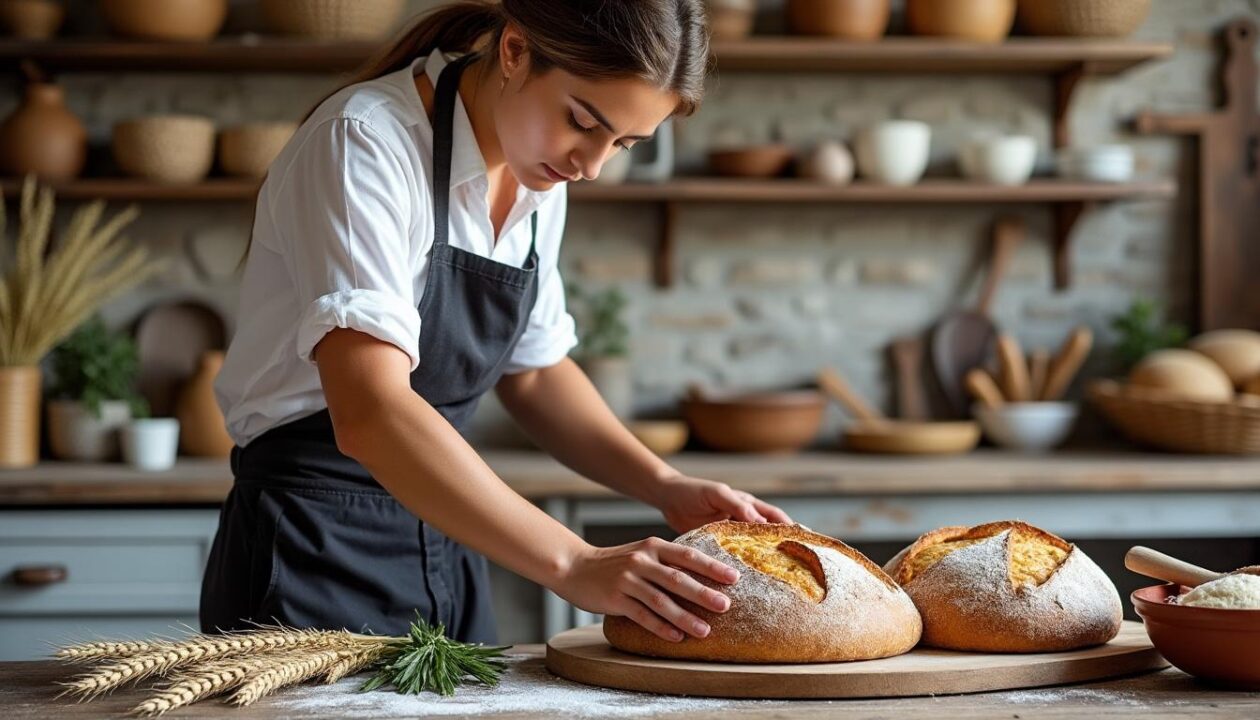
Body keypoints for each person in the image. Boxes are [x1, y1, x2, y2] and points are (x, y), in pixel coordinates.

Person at [201, 0, 792, 647]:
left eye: (621, 143)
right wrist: (574, 562)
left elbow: (533, 374)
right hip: (312, 547)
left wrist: (664, 484)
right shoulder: (364, 142)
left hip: (452, 534)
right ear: (514, 51)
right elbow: (371, 411)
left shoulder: (538, 175)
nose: (590, 165)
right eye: (582, 121)